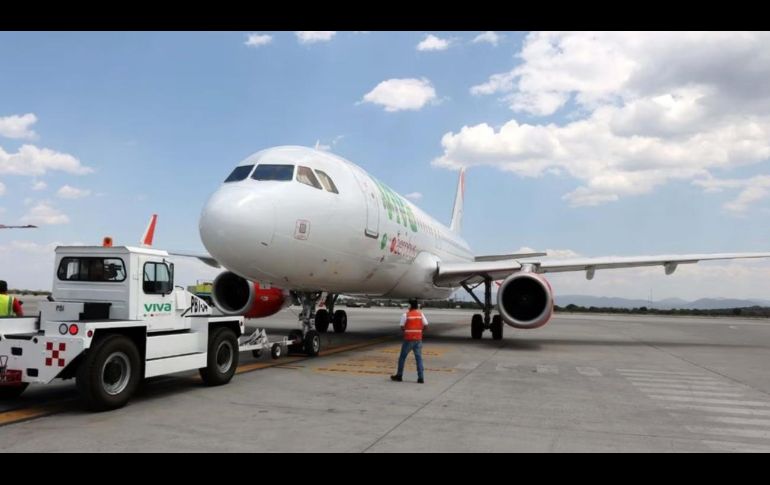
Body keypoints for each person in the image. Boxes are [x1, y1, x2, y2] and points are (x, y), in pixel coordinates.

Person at [391, 299, 428, 384]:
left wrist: (408, 331)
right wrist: (419, 332)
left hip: (408, 339)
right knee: (418, 358)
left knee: (402, 358)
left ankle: (399, 375)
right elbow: (426, 325)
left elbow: (401, 327)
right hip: (418, 339)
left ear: (410, 306)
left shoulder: (405, 315)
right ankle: (421, 378)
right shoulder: (420, 314)